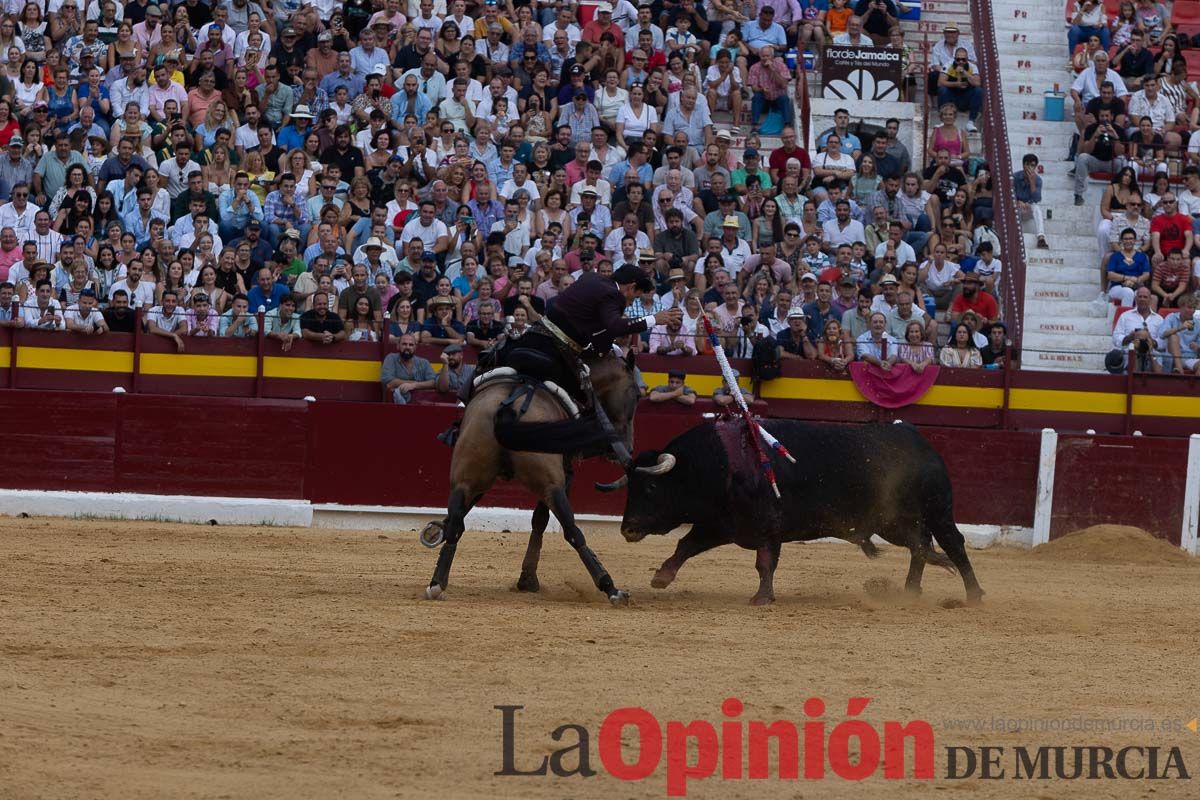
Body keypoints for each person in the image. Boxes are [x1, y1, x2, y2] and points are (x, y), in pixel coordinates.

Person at [382, 332, 437, 404]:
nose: (407, 347)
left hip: (420, 405)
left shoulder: (424, 362)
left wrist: (414, 385)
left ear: (415, 347)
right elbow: (389, 382)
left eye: (411, 345)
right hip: (394, 406)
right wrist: (420, 384)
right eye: (404, 344)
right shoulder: (391, 358)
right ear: (398, 346)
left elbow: (433, 382)